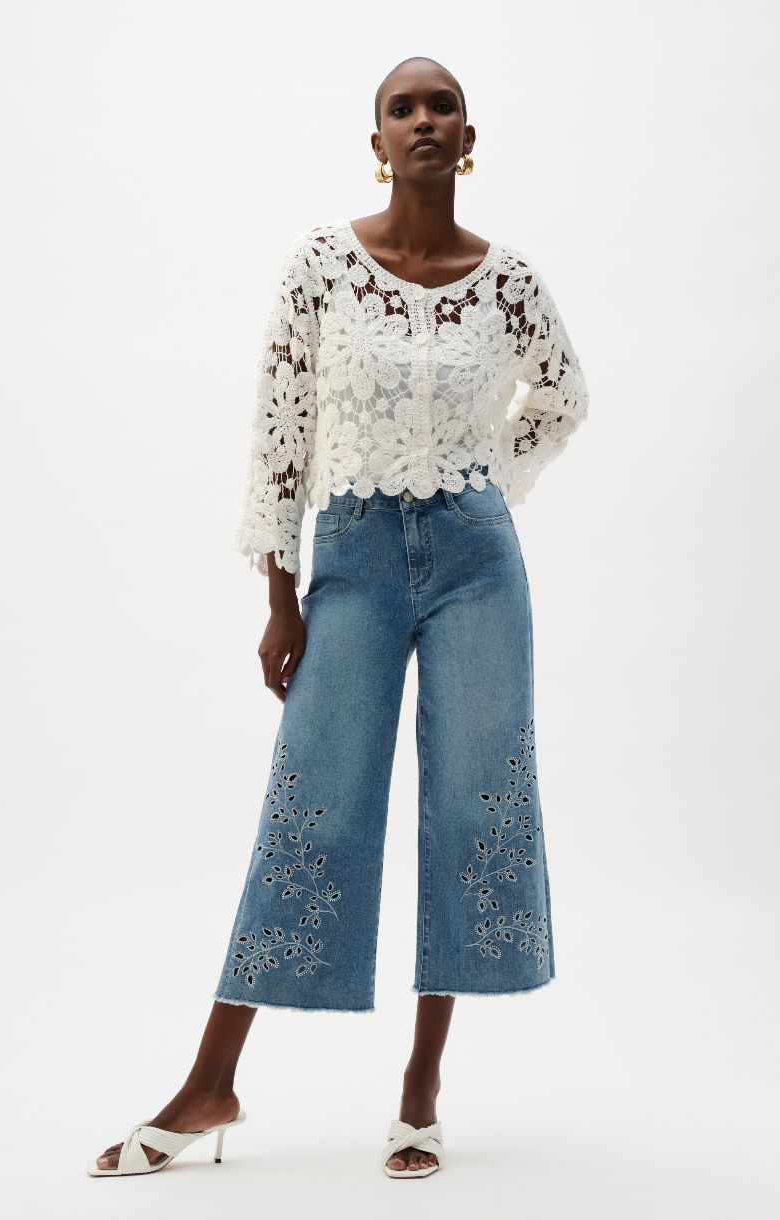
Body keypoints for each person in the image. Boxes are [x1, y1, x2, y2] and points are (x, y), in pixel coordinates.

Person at [89, 53, 589, 1181]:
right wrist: (279, 593)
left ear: (469, 138)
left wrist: (484, 481)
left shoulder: (507, 280)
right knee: (311, 809)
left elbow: (562, 393)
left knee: (469, 810)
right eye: (402, 108)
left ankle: (420, 1086)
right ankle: (211, 1080)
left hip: (477, 566)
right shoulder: (321, 266)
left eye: (442, 105)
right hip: (352, 560)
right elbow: (280, 430)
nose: (424, 119)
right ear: (378, 142)